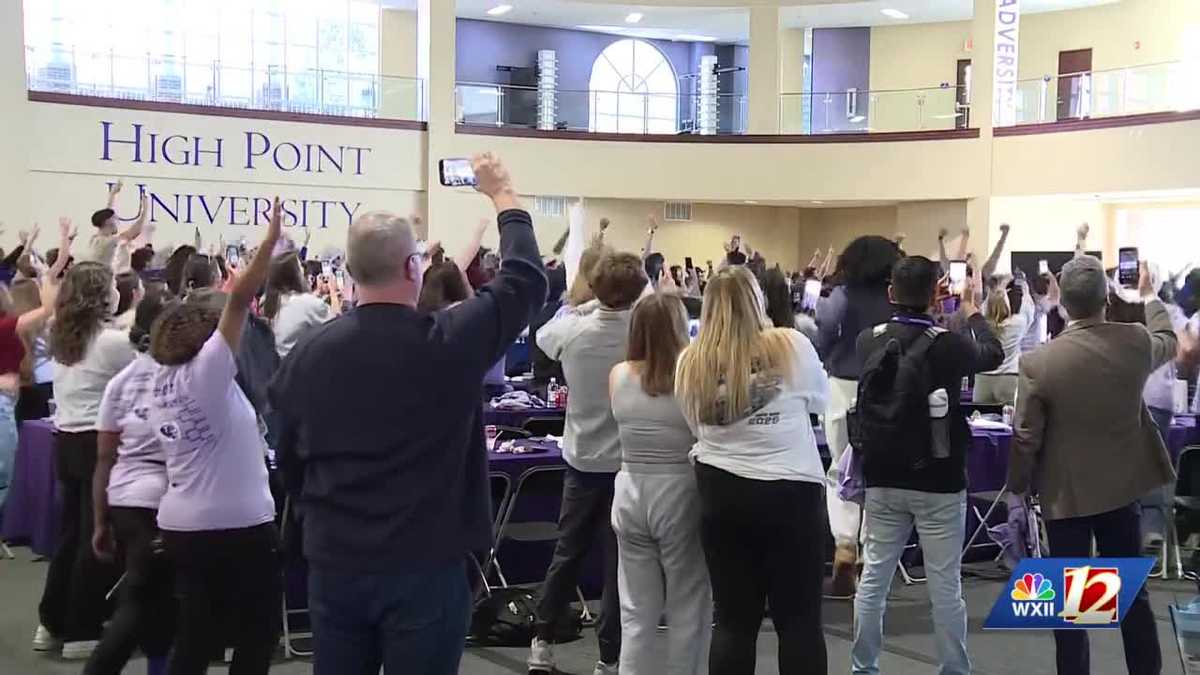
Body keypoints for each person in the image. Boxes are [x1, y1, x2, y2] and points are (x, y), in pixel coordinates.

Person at [269, 154, 546, 674]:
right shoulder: (449, 342)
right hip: (427, 561)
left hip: (338, 561)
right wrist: (503, 194)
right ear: (412, 267)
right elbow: (525, 281)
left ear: (349, 273)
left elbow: (288, 457)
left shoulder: (306, 357)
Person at [1009, 256, 1175, 675]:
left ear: (1062, 303)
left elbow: (1026, 436)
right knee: (1132, 596)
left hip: (1065, 496)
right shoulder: (1135, 342)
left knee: (1073, 604)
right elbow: (1168, 338)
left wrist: (1016, 488)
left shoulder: (1040, 363)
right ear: (1107, 298)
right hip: (1122, 489)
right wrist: (1149, 294)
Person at [147, 198, 285, 675]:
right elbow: (242, 298)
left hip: (183, 525)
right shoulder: (206, 373)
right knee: (257, 632)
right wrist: (268, 243)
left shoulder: (157, 380)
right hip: (238, 526)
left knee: (196, 633)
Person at [851, 256, 1004, 675]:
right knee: (944, 585)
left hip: (882, 473)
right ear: (938, 293)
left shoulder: (869, 341)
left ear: (890, 294)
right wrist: (972, 312)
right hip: (939, 477)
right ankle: (953, 668)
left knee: (874, 580)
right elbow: (993, 353)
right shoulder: (948, 345)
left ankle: (864, 666)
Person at [676, 265, 830, 675]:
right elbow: (819, 400)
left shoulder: (692, 363)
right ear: (756, 301)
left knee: (732, 621)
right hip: (792, 494)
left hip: (722, 495)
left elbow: (696, 426)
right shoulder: (791, 344)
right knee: (799, 623)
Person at [530, 249, 647, 675]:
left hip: (581, 460)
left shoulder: (573, 330)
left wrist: (583, 302)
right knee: (619, 566)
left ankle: (540, 644)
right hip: (626, 464)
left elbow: (542, 335)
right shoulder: (642, 330)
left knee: (568, 553)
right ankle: (609, 659)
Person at [36, 258, 136, 660]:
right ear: (102, 294)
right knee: (96, 538)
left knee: (69, 536)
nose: (118, 290)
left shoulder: (59, 334)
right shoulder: (111, 343)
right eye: (113, 285)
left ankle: (52, 621)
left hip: (66, 440)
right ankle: (82, 628)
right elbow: (142, 369)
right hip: (98, 444)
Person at [609, 288, 711, 675]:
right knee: (689, 607)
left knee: (636, 614)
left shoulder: (618, 376)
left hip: (630, 492)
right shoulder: (692, 378)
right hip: (679, 493)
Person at [85, 292, 177, 675]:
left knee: (155, 598)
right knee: (142, 598)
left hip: (125, 500)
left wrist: (100, 521)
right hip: (169, 500)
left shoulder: (119, 384)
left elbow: (105, 458)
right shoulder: (182, 379)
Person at [816, 235, 901, 597]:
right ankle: (872, 553)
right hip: (888, 390)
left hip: (841, 387)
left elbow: (821, 338)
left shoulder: (840, 297)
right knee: (881, 475)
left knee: (840, 470)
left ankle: (845, 543)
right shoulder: (896, 298)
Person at [262, 250, 340, 359]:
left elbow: (298, 309)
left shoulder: (269, 302)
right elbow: (337, 325)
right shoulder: (307, 303)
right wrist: (333, 291)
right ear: (295, 276)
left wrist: (317, 292)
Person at [973, 274, 1035, 406]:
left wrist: (999, 287)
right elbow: (1029, 307)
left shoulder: (981, 324)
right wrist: (1024, 286)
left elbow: (983, 308)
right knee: (1009, 420)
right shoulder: (1017, 323)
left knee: (978, 421)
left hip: (983, 380)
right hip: (1009, 379)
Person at [89, 181, 148, 268]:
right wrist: (145, 209)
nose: (118, 222)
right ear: (108, 222)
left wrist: (112, 195)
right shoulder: (108, 242)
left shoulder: (95, 239)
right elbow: (135, 231)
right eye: (115, 219)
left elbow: (108, 213)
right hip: (104, 279)